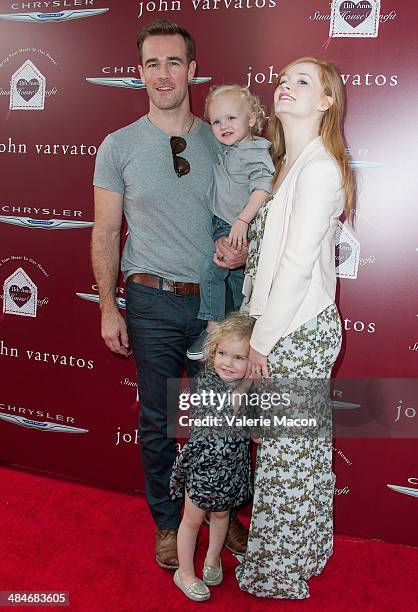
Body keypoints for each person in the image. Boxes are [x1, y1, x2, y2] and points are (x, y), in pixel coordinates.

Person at [91, 19, 248, 571]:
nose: (164, 73)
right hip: (151, 302)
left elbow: (244, 217)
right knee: (158, 420)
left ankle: (218, 515)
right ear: (139, 73)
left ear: (193, 71)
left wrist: (241, 252)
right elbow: (106, 232)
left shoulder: (224, 140)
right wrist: (110, 306)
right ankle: (166, 522)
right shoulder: (118, 146)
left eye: (174, 62)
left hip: (214, 310)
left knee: (220, 421)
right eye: (153, 63)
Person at [235, 57, 354, 599]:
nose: (285, 87)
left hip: (296, 333)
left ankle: (278, 569)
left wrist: (261, 340)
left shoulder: (321, 168)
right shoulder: (291, 163)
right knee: (295, 454)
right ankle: (302, 552)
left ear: (326, 102)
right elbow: (269, 257)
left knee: (288, 458)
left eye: (302, 82)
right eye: (283, 80)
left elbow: (299, 262)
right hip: (284, 327)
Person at [186, 85, 274, 361]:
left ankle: (212, 330)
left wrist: (242, 221)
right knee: (237, 284)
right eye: (216, 121)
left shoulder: (255, 151)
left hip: (233, 225)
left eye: (231, 118)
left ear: (251, 119)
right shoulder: (232, 149)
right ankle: (237, 334)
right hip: (223, 224)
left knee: (212, 271)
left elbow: (263, 187)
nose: (223, 126)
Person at [170, 313, 254, 601]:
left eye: (239, 357)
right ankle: (184, 572)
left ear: (252, 361)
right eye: (222, 353)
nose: (228, 363)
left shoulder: (251, 391)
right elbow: (226, 408)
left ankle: (212, 559)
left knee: (221, 515)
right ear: (212, 352)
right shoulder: (207, 381)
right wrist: (247, 387)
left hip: (232, 469)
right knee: (192, 520)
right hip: (203, 467)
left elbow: (254, 433)